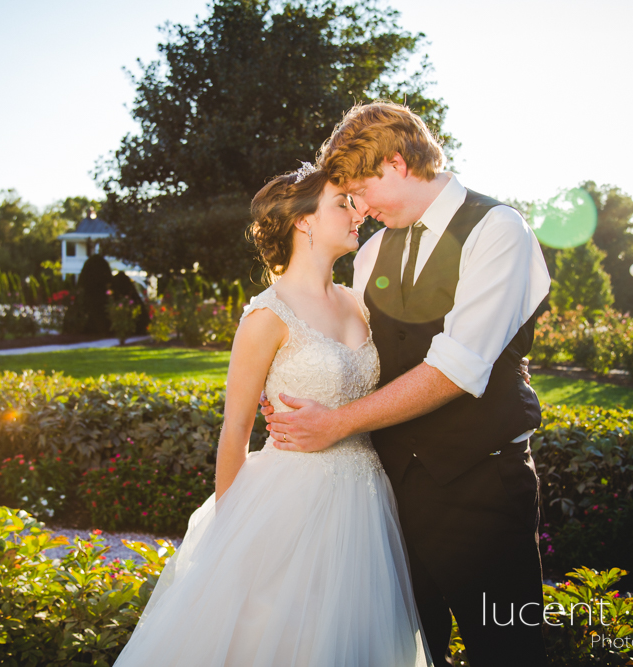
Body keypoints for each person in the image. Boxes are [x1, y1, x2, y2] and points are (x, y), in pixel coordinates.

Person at [263, 102, 551, 667]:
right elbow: (363, 357)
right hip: (387, 492)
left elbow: (458, 368)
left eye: (361, 191)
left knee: (508, 652)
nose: (360, 211)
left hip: (482, 488)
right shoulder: (371, 253)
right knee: (406, 654)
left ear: (396, 163)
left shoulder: (497, 230)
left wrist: (336, 424)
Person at [113, 162, 432, 667]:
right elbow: (236, 429)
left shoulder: (358, 303)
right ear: (304, 221)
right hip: (290, 501)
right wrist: (230, 535)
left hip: (367, 497)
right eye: (342, 204)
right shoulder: (268, 314)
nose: (359, 214)